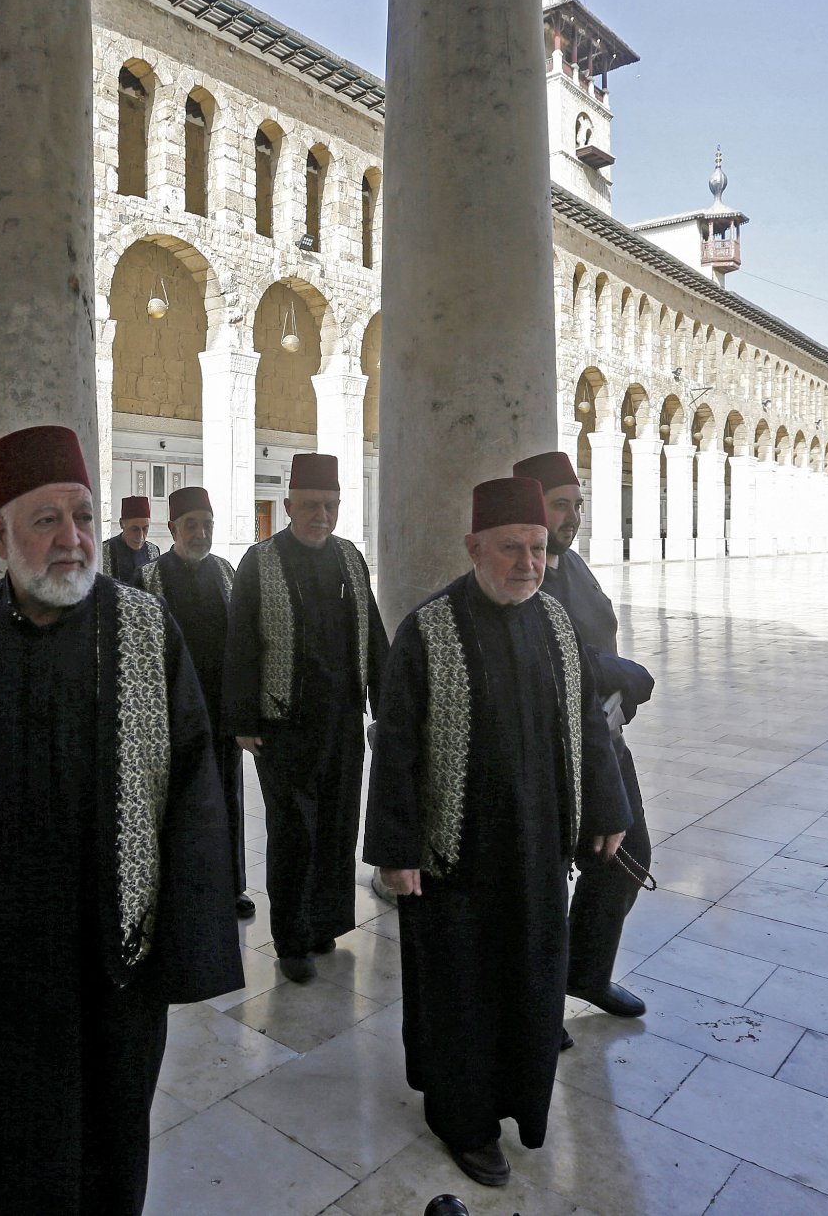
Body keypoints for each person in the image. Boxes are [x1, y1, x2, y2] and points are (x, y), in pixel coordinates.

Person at [0, 425, 241, 1216]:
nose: (72, 539)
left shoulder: (144, 631)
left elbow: (194, 790)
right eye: (45, 520)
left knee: (97, 1153)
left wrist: (188, 946)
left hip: (107, 970)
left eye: (83, 516)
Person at [366, 477, 631, 1187]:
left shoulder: (557, 625)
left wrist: (605, 808)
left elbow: (588, 728)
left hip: (538, 850)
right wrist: (395, 850)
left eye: (538, 547)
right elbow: (396, 747)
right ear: (473, 547)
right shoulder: (426, 631)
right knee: (462, 994)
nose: (527, 562)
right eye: (510, 547)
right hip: (456, 860)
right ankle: (465, 1122)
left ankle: (518, 1104)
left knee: (529, 984)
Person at [220, 452, 386, 983]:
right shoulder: (259, 560)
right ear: (289, 504)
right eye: (312, 505)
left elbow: (373, 634)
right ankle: (291, 939)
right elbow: (240, 643)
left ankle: (326, 925)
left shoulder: (349, 559)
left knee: (338, 825)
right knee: (293, 830)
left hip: (341, 722)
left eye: (331, 506)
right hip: (283, 722)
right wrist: (243, 717)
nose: (322, 515)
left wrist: (386, 704)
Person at [513, 450, 656, 1020]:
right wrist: (619, 672)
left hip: (602, 739)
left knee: (628, 852)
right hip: (551, 750)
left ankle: (586, 973)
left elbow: (592, 634)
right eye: (560, 505)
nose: (572, 516)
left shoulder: (571, 564)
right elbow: (552, 650)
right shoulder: (525, 572)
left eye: (578, 505)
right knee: (547, 877)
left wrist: (620, 694)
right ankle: (538, 1003)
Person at [141, 486, 256, 920]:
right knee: (177, 803)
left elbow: (244, 644)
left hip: (221, 713)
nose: (201, 533)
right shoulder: (148, 579)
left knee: (227, 799)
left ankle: (231, 887)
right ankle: (178, 891)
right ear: (173, 528)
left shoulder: (226, 572)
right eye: (192, 525)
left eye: (207, 524)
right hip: (172, 716)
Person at [105, 494, 159, 585]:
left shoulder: (153, 551)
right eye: (135, 529)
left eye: (145, 529)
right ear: (121, 524)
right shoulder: (106, 551)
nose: (141, 536)